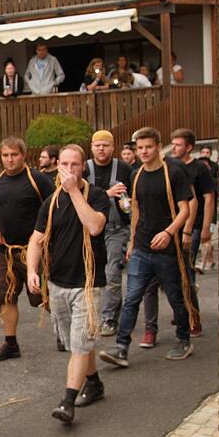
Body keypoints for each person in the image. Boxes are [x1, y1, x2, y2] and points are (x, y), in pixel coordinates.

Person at [27, 144, 110, 424]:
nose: (69, 170)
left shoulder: (97, 196)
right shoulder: (50, 202)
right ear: (57, 165)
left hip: (87, 284)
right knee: (78, 343)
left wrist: (74, 191)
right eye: (64, 164)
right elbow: (36, 240)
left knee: (78, 347)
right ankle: (95, 383)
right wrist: (31, 271)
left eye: (74, 165)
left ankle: (67, 402)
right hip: (58, 284)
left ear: (82, 166)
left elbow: (95, 226)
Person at [100, 127, 193, 368]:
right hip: (141, 247)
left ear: (158, 146)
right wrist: (131, 241)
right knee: (131, 298)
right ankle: (121, 348)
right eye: (139, 148)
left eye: (148, 147)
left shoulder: (173, 172)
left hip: (167, 249)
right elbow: (136, 210)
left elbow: (185, 209)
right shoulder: (136, 174)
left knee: (175, 297)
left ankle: (184, 339)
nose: (143, 152)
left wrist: (169, 232)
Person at [141, 129, 214, 345]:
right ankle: (168, 319)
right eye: (172, 144)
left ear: (189, 147)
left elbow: (202, 200)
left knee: (185, 276)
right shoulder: (167, 166)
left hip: (190, 226)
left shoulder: (198, 167)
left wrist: (193, 230)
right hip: (165, 229)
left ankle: (193, 318)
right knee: (156, 280)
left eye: (179, 144)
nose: (174, 148)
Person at [0, 136, 55, 361]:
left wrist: (47, 237)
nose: (9, 159)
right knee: (5, 297)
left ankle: (66, 331)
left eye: (14, 155)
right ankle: (10, 343)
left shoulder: (38, 180)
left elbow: (54, 208)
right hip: (5, 251)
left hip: (34, 251)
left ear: (23, 155)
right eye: (5, 155)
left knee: (43, 297)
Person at [84, 130, 132, 337]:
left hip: (116, 228)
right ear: (91, 147)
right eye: (97, 145)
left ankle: (109, 317)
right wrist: (106, 194)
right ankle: (88, 316)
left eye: (105, 145)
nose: (101, 149)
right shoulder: (84, 168)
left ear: (113, 147)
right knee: (91, 275)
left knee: (112, 273)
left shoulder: (124, 168)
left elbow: (133, 199)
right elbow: (78, 196)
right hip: (91, 229)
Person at [197, 145, 219, 272]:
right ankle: (209, 260)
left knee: (207, 237)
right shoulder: (194, 181)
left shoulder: (215, 182)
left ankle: (203, 262)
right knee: (206, 239)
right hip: (198, 214)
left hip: (212, 215)